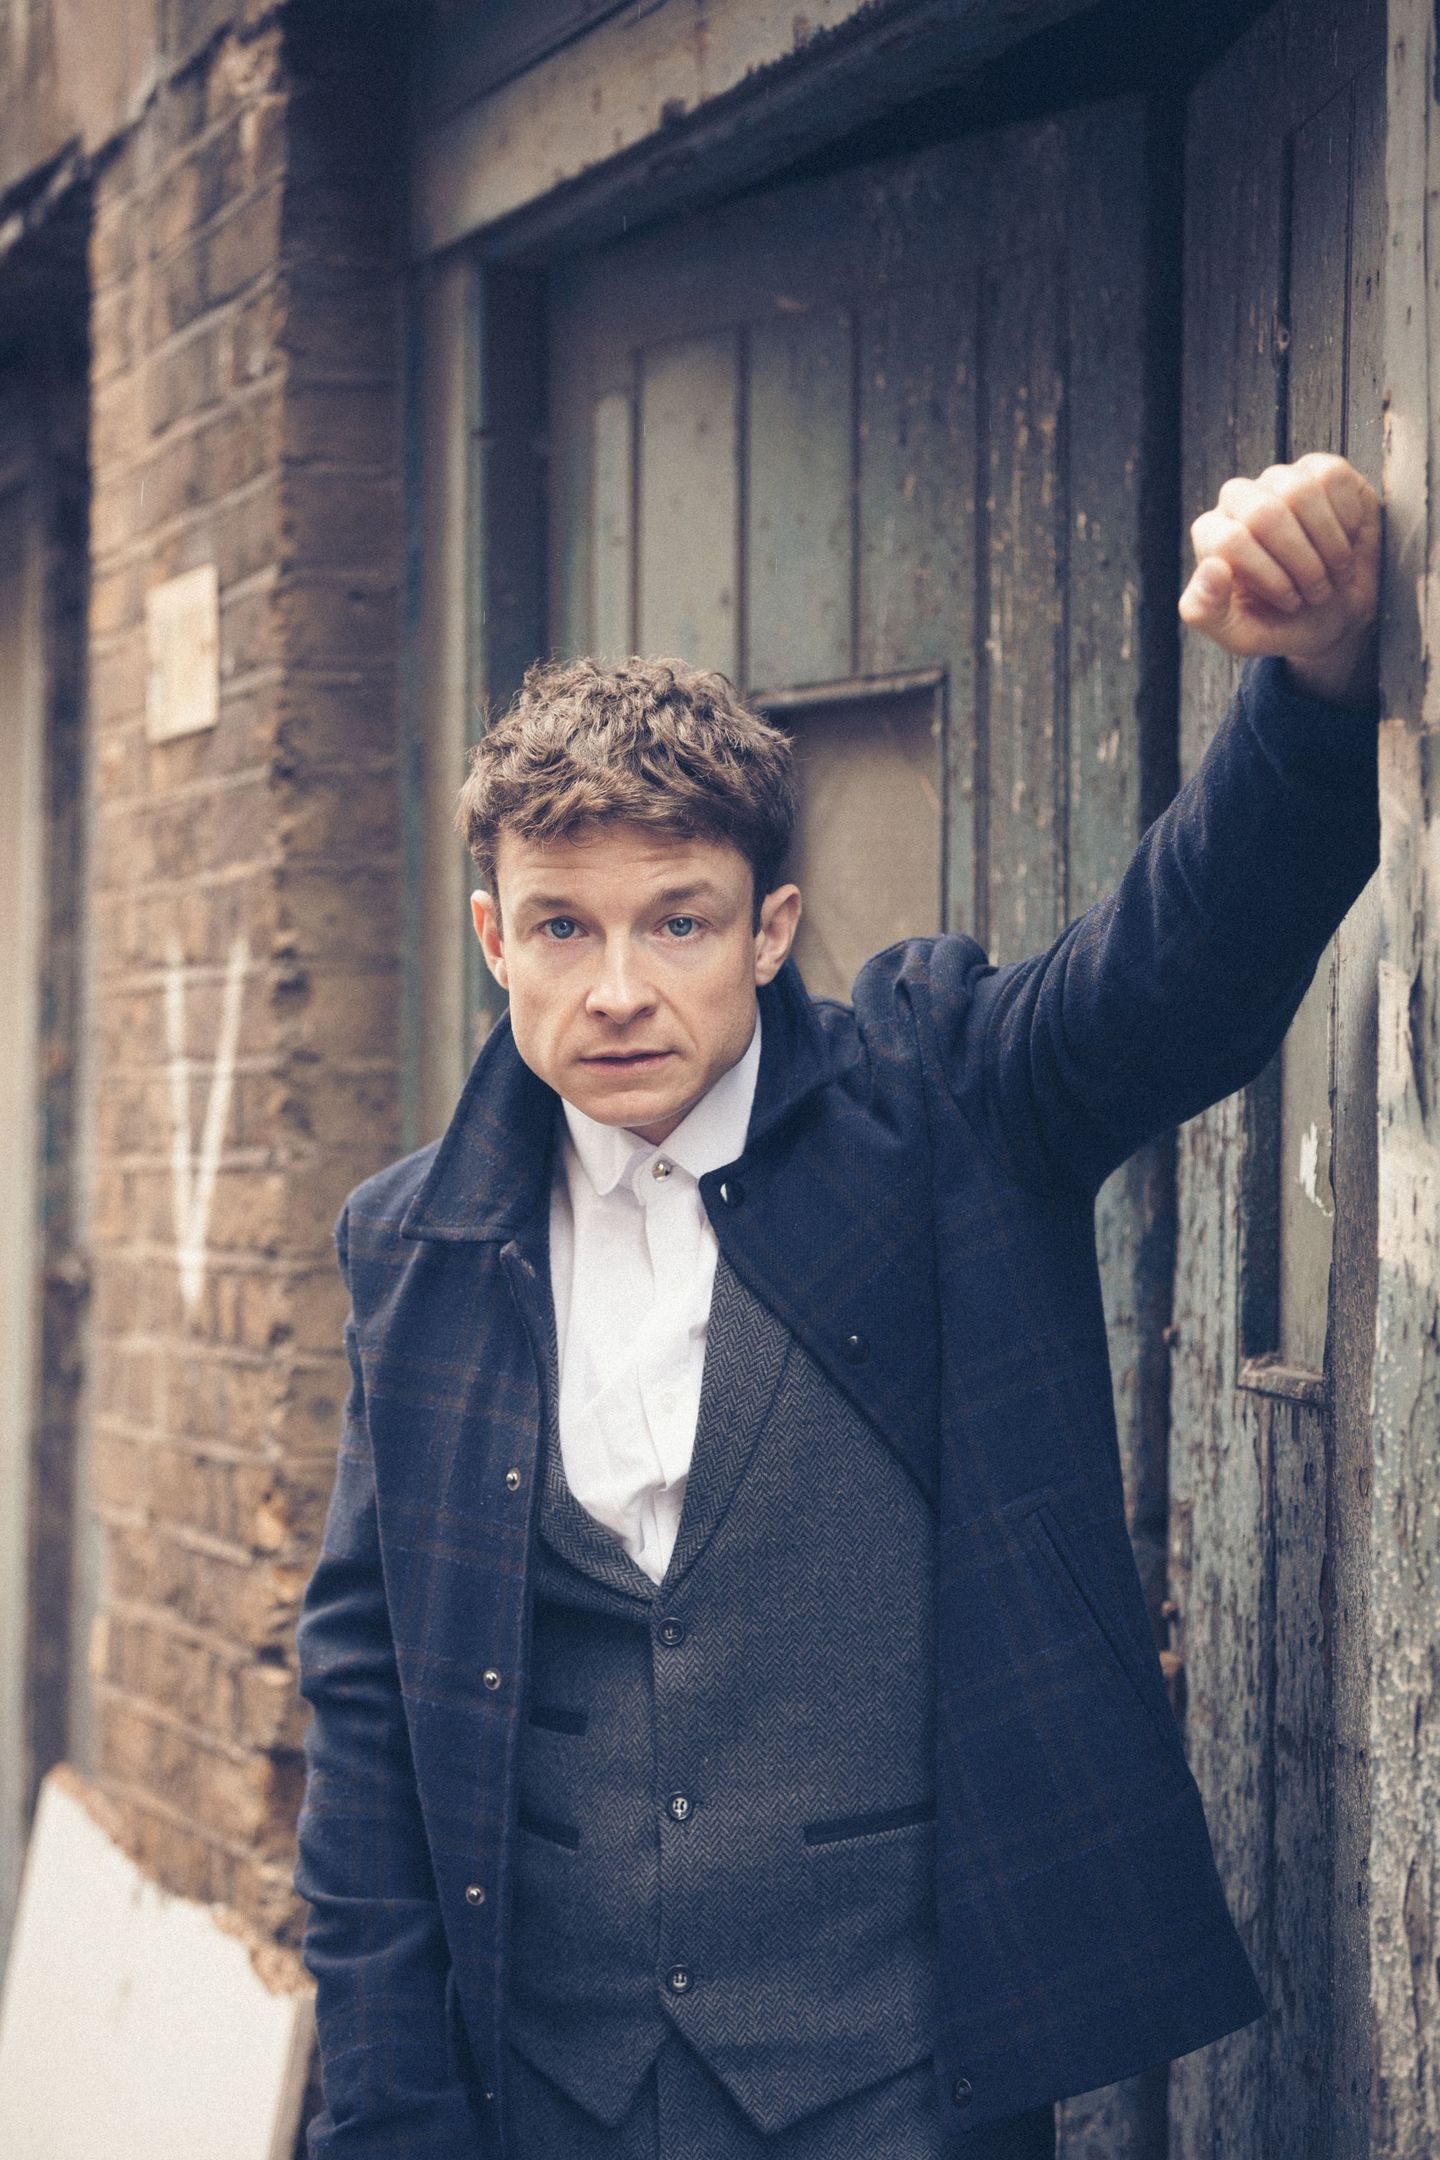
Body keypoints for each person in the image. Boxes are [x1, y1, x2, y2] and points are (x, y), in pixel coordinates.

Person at [293, 451, 1382, 2158]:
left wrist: (1314, 683)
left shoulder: (938, 1105)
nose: (619, 988)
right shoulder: (414, 1245)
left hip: (891, 2088)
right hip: (545, 2095)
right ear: (496, 940)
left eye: (679, 923)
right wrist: (384, 2112)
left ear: (769, 928)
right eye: (565, 930)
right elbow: (370, 1699)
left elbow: (1171, 975)